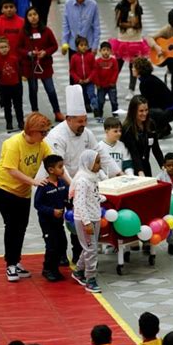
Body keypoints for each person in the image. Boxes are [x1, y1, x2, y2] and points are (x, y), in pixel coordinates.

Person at [39, 85, 122, 265]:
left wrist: (117, 172)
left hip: (79, 184)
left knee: (77, 224)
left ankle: (78, 257)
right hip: (57, 183)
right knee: (57, 226)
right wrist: (74, 186)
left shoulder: (86, 133)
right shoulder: (56, 136)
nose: (83, 125)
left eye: (85, 120)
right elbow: (60, 167)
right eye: (79, 121)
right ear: (68, 119)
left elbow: (99, 153)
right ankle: (59, 256)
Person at [0, 112, 51, 282]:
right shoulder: (13, 144)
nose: (45, 135)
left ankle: (16, 261)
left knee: (21, 226)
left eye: (46, 132)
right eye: (43, 132)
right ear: (32, 131)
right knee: (12, 224)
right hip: (2, 187)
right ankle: (10, 264)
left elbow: (52, 162)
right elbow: (11, 169)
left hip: (23, 191)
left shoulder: (42, 145)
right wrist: (33, 181)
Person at [19, 6, 64, 122]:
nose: (33, 17)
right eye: (30, 15)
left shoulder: (47, 30)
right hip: (31, 66)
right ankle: (35, 112)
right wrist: (29, 53)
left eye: (35, 14)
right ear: (26, 18)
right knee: (33, 90)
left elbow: (54, 45)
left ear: (39, 16)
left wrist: (46, 52)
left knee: (50, 89)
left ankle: (57, 111)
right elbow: (18, 48)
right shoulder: (23, 32)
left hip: (45, 65)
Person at [70, 149, 105, 293]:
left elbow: (93, 196)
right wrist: (87, 223)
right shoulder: (82, 180)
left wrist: (101, 198)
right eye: (97, 162)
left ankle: (78, 271)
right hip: (86, 220)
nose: (99, 165)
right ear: (88, 163)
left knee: (89, 248)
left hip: (94, 216)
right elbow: (79, 203)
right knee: (91, 250)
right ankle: (90, 279)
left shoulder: (92, 177)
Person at [34, 155, 70, 282]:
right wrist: (52, 211)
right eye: (60, 167)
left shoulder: (62, 184)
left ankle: (56, 269)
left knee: (62, 244)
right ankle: (48, 269)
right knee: (52, 246)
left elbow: (67, 199)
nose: (63, 170)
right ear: (51, 170)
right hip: (47, 223)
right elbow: (37, 204)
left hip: (59, 223)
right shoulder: (43, 186)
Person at [110, 0, 149, 101]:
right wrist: (131, 24)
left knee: (134, 67)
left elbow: (137, 23)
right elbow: (119, 23)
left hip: (136, 41)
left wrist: (132, 9)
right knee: (116, 66)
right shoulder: (120, 6)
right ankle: (110, 89)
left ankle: (131, 90)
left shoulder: (138, 8)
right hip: (122, 41)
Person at [132, 57, 173, 138]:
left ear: (139, 70)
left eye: (134, 67)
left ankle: (161, 128)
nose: (132, 69)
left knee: (143, 111)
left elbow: (149, 103)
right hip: (172, 109)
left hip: (169, 111)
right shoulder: (149, 78)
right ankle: (164, 126)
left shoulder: (145, 82)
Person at [121, 95, 164, 177]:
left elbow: (156, 148)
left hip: (146, 165)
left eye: (146, 110)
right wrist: (140, 171)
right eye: (141, 111)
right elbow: (134, 152)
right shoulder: (127, 129)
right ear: (133, 111)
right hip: (132, 167)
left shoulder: (151, 124)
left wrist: (163, 166)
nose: (144, 113)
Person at [62, 0, 100, 84]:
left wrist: (95, 46)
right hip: (73, 46)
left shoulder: (93, 4)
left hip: (88, 46)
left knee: (89, 75)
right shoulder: (68, 4)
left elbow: (96, 27)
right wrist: (64, 42)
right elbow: (65, 25)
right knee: (74, 76)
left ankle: (88, 97)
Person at [0, 36, 24, 131]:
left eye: (5, 47)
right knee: (7, 106)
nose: (4, 49)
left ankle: (21, 122)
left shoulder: (14, 58)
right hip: (4, 86)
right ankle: (9, 122)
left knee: (18, 105)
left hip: (16, 85)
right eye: (1, 47)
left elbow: (18, 70)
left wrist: (21, 78)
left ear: (9, 47)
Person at [69, 36, 98, 116]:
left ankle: (96, 108)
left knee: (91, 94)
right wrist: (78, 79)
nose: (84, 47)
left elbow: (94, 69)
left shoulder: (91, 56)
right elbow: (72, 70)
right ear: (77, 47)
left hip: (89, 81)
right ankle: (86, 106)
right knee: (82, 95)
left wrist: (90, 78)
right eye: (81, 45)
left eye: (85, 45)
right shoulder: (74, 57)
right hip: (79, 82)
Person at [94, 41, 119, 119]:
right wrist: (97, 84)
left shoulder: (113, 61)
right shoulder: (97, 61)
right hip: (101, 86)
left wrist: (113, 81)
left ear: (111, 51)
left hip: (111, 85)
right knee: (100, 101)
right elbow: (95, 73)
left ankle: (115, 113)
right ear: (100, 51)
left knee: (114, 101)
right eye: (104, 50)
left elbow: (115, 71)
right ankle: (99, 113)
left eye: (108, 50)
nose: (106, 52)